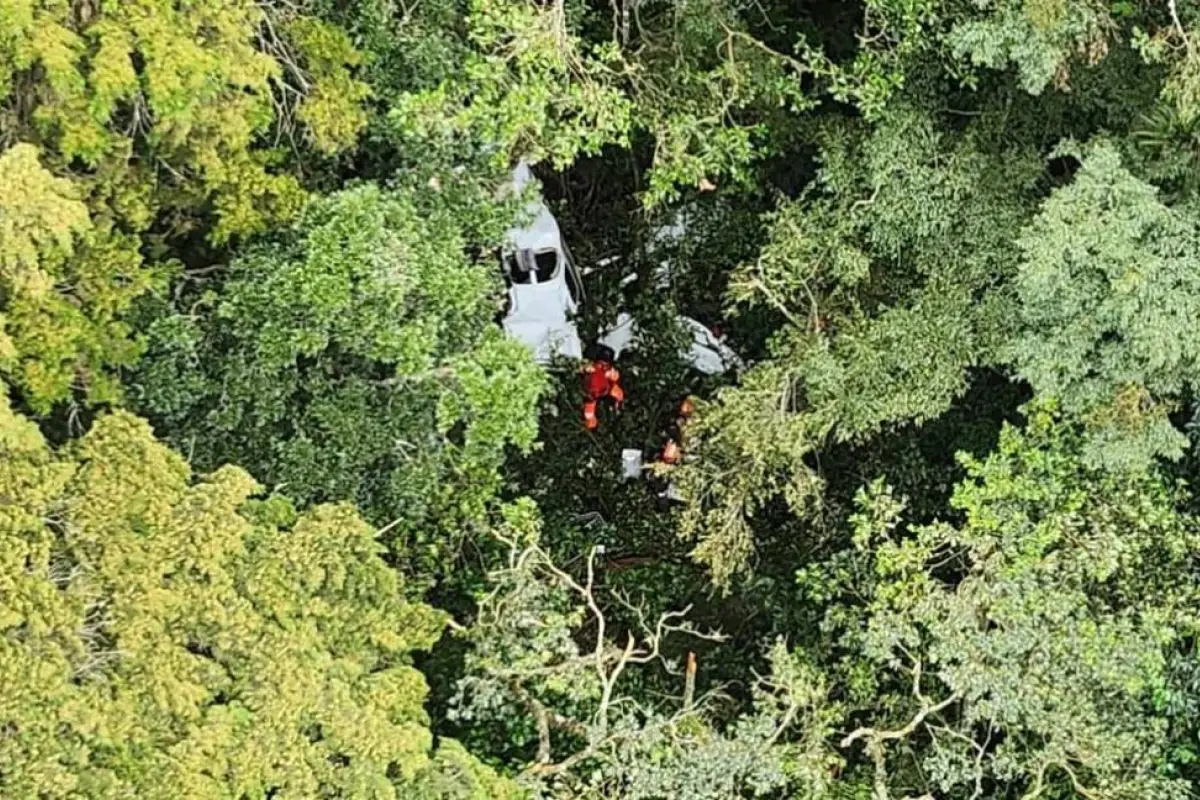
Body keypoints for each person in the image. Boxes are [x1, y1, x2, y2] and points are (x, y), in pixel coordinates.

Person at [581, 351, 624, 431]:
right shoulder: (609, 377)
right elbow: (618, 393)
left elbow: (618, 393)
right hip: (597, 389)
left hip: (595, 391)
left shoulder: (608, 380)